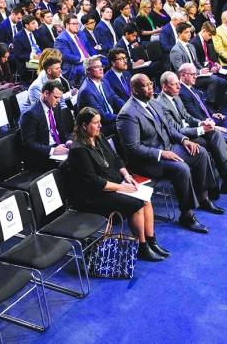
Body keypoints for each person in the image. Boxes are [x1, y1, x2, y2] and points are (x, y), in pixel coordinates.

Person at [115, 73, 221, 234]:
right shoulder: (127, 114)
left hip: (168, 148)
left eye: (151, 84)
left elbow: (169, 129)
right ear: (134, 90)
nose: (150, 88)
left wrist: (184, 140)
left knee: (200, 152)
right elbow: (133, 148)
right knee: (182, 168)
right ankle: (187, 215)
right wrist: (161, 153)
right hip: (147, 161)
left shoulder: (154, 103)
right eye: (145, 86)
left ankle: (204, 198)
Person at [66, 107, 166, 262]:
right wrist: (122, 188)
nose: (100, 126)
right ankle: (142, 246)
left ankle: (152, 241)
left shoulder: (99, 137)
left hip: (114, 184)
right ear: (84, 125)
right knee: (137, 204)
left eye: (100, 122)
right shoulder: (78, 150)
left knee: (147, 198)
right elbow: (93, 182)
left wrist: (126, 176)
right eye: (96, 123)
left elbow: (116, 158)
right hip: (93, 195)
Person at [155, 71, 227, 194]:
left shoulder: (175, 95)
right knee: (214, 138)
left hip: (188, 130)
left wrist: (201, 123)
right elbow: (175, 130)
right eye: (174, 84)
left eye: (178, 83)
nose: (179, 87)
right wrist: (201, 129)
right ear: (164, 86)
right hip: (178, 138)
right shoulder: (160, 104)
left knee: (214, 134)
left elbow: (187, 116)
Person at [18, 79, 72, 170]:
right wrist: (53, 151)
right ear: (46, 93)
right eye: (56, 97)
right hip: (43, 154)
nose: (59, 101)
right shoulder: (30, 114)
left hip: (59, 147)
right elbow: (29, 143)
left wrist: (68, 140)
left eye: (60, 97)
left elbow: (61, 128)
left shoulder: (55, 105)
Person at [76, 56, 124, 136]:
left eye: (101, 66)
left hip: (111, 119)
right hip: (100, 127)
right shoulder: (87, 91)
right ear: (88, 71)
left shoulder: (103, 81)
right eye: (96, 67)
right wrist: (123, 116)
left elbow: (115, 98)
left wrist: (127, 109)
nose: (101, 69)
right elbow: (102, 116)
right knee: (127, 123)